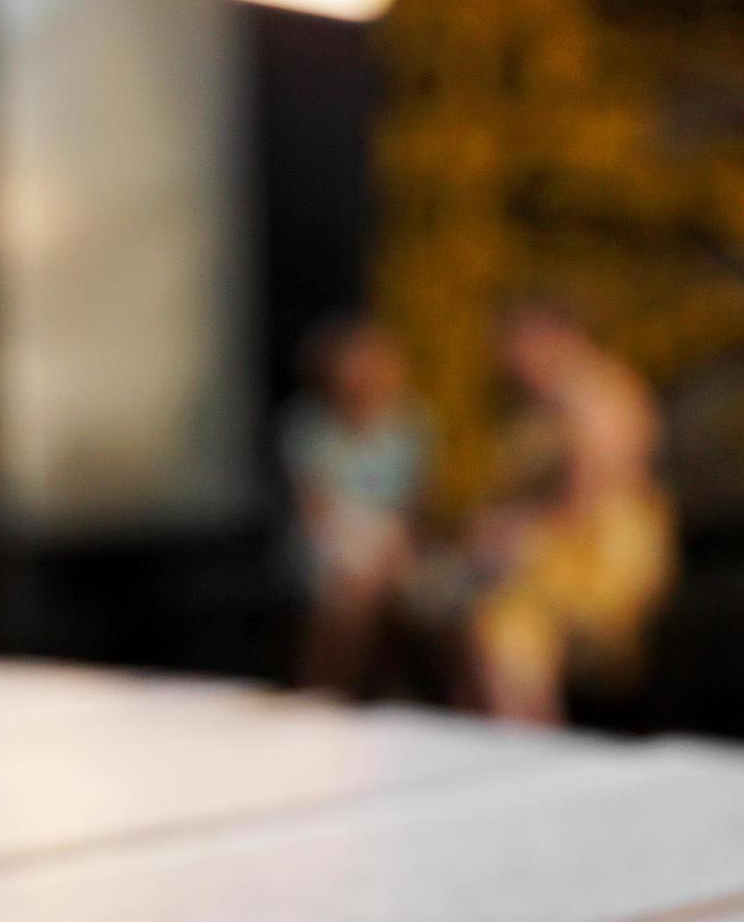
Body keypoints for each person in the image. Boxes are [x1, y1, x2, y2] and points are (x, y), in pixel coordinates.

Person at [460, 306, 675, 724]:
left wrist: (516, 531)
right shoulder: (539, 402)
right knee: (477, 613)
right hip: (564, 545)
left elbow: (591, 494)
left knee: (503, 622)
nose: (509, 358)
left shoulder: (595, 393)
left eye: (517, 343)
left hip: (600, 549)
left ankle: (531, 742)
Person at [281, 320, 429, 694]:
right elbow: (315, 510)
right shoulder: (307, 427)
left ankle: (342, 692)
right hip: (331, 543)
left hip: (388, 544)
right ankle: (327, 690)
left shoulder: (410, 427)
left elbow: (412, 510)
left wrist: (387, 550)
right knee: (348, 597)